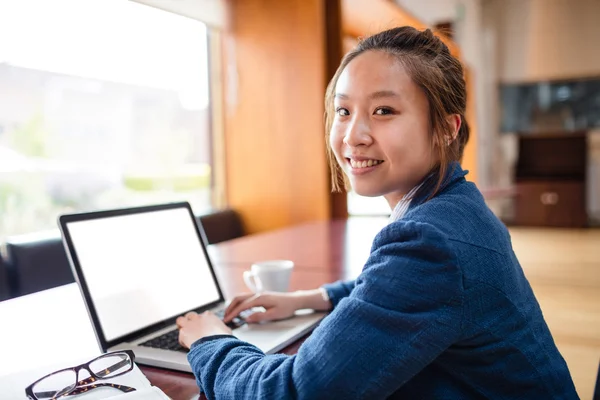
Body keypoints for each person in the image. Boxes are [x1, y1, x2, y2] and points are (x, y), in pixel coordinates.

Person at [175, 26, 578, 399]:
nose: (353, 136)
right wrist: (309, 297)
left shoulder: (429, 242)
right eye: (344, 111)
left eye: (383, 111)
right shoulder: (456, 207)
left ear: (447, 128)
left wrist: (211, 339)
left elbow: (292, 393)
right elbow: (396, 289)